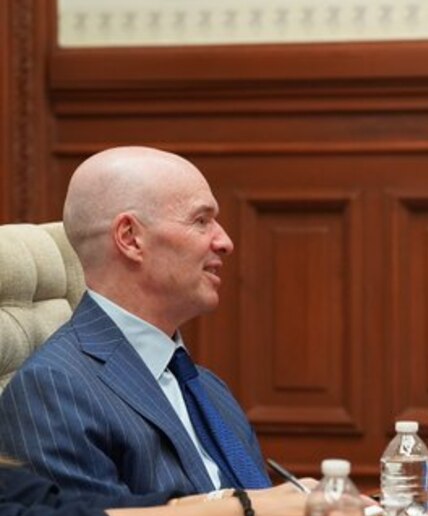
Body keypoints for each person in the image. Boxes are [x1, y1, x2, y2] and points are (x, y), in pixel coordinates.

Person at [0, 146, 272, 496]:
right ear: (130, 238)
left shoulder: (207, 387)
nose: (225, 241)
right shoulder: (53, 389)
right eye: (201, 220)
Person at [1, 454, 310, 516]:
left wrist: (236, 497)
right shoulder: (54, 379)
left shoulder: (210, 383)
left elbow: (59, 503)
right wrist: (243, 509)